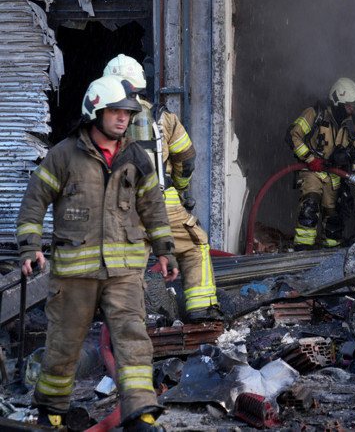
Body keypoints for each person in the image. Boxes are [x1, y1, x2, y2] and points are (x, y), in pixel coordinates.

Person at [17, 75, 178, 431]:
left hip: (123, 273)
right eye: (115, 111)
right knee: (62, 346)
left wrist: (165, 250)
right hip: (74, 275)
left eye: (127, 112)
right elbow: (33, 202)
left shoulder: (136, 157)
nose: (123, 118)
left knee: (133, 342)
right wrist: (29, 247)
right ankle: (51, 413)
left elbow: (154, 206)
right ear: (95, 111)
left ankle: (141, 416)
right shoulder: (63, 155)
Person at [103, 54, 221, 323]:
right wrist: (179, 188)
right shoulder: (163, 118)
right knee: (194, 245)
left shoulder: (100, 119)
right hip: (161, 204)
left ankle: (124, 315)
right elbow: (186, 160)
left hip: (118, 208)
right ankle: (201, 310)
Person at [287, 77, 355, 250]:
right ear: (337, 101)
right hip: (312, 171)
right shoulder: (314, 113)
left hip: (335, 174)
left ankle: (330, 257)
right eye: (348, 105)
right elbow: (293, 135)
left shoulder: (353, 123)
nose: (351, 109)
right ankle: (303, 252)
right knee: (310, 206)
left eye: (353, 106)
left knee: (334, 217)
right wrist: (310, 159)